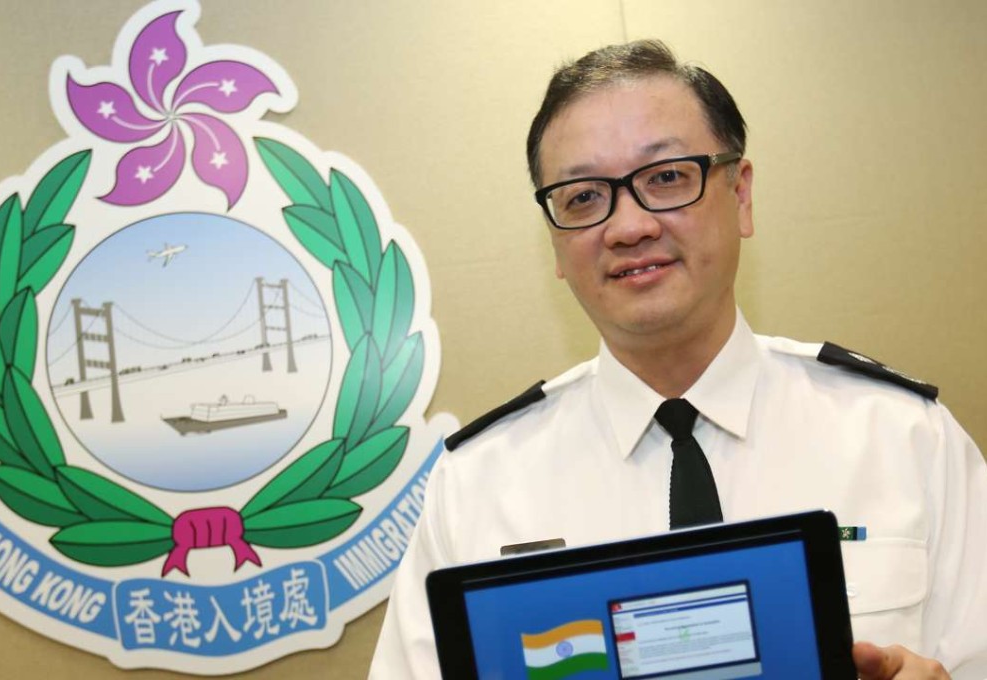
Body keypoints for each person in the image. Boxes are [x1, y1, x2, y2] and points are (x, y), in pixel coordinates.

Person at [369, 39, 987, 679]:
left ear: (740, 195)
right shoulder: (478, 485)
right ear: (554, 240)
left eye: (666, 178)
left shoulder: (903, 438)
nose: (628, 227)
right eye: (582, 197)